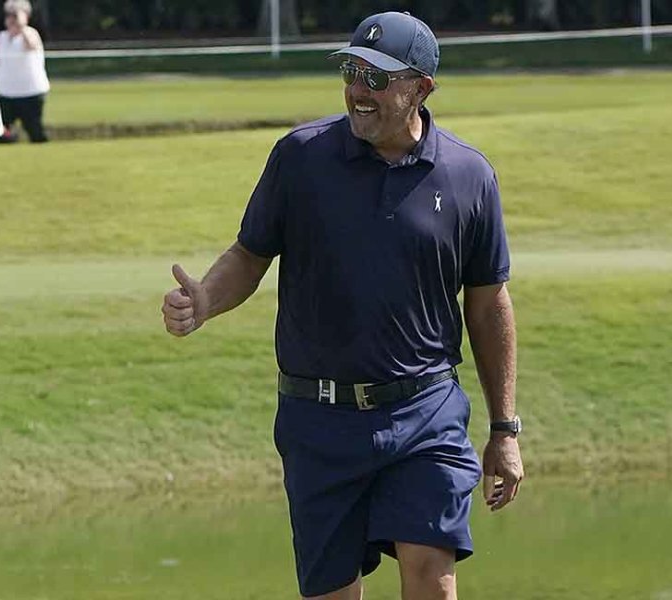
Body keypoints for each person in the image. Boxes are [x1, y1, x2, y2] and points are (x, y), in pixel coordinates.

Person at [160, 12, 523, 600]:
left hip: (426, 412)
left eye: (377, 78)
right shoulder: (300, 158)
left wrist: (504, 429)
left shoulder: (469, 176)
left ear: (421, 88)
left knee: (433, 576)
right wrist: (205, 299)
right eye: (352, 71)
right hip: (319, 419)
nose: (358, 90)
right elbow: (249, 256)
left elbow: (488, 306)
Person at [0, 0, 50, 144]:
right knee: (2, 134)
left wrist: (22, 26)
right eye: (9, 15)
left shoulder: (31, 33)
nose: (11, 19)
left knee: (35, 131)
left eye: (15, 15)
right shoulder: (2, 37)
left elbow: (31, 45)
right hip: (6, 92)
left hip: (30, 92)